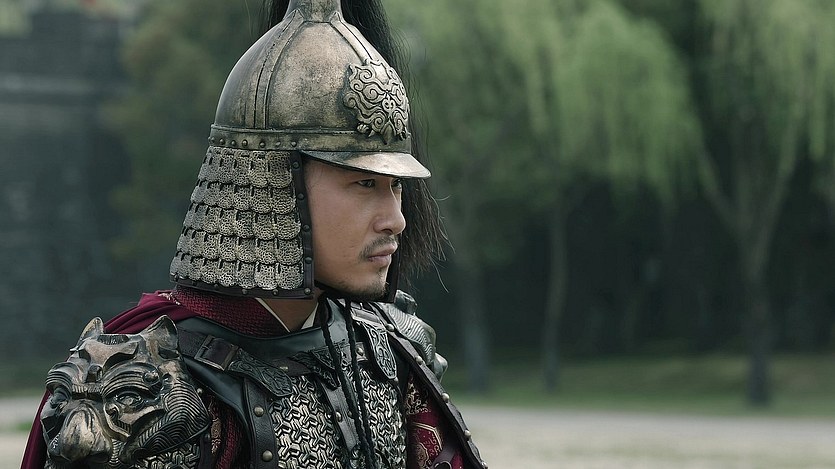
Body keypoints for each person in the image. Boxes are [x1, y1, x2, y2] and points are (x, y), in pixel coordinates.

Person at [20, 0, 486, 468]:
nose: (396, 220)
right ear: (270, 185)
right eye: (365, 184)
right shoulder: (147, 388)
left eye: (396, 186)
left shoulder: (387, 351)